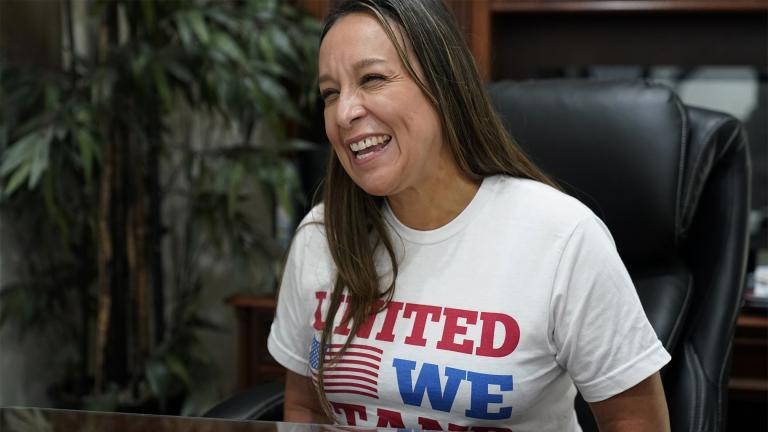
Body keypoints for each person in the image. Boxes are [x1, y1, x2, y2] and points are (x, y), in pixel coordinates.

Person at [266, 0, 671, 430]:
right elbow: (306, 411)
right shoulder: (321, 235)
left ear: (444, 86)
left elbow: (635, 422)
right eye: (330, 93)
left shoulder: (562, 237)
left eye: (373, 79)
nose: (345, 112)